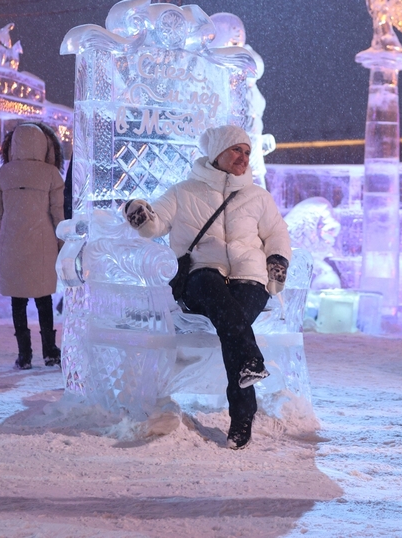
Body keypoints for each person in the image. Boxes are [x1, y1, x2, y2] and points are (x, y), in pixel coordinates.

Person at [123, 125, 292, 450]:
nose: (243, 157)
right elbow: (155, 222)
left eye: (246, 151)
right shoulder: (184, 191)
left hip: (250, 278)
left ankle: (243, 405)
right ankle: (248, 388)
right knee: (211, 285)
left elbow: (277, 234)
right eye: (236, 150)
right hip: (201, 278)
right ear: (217, 154)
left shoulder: (258, 196)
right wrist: (140, 213)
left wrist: (277, 262)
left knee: (232, 329)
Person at [0, 123, 65, 370]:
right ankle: (50, 351)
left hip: (12, 244)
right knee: (44, 301)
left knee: (18, 302)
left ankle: (24, 355)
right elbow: (58, 213)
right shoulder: (51, 174)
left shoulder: (3, 174)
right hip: (43, 245)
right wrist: (63, 241)